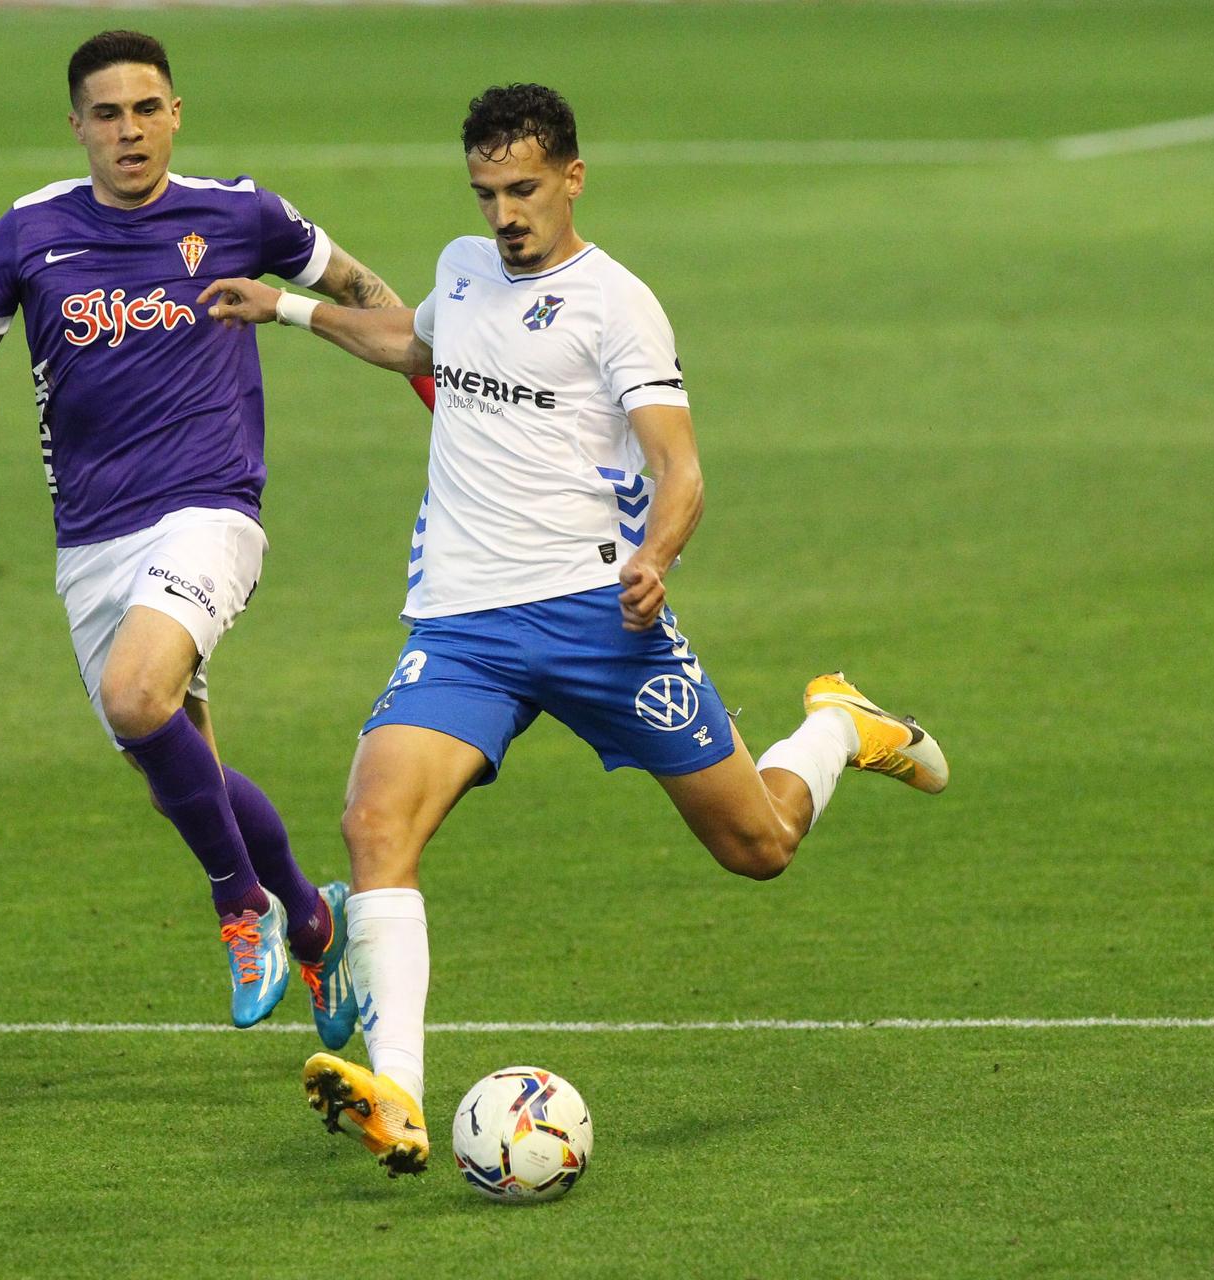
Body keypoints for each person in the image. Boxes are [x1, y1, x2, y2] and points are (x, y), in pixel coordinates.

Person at [203, 82, 950, 1177]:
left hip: (599, 621)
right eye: (484, 192)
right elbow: (419, 343)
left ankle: (837, 727)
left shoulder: (617, 304)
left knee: (757, 845)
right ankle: (396, 1091)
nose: (503, 213)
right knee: (374, 824)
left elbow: (678, 465)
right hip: (462, 623)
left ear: (570, 178)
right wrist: (290, 309)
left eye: (520, 190)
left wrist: (658, 557)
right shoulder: (462, 267)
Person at [0, 30, 430, 1042]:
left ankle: (241, 908)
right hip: (90, 539)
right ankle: (312, 917)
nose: (129, 131)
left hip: (209, 507)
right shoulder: (27, 233)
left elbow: (376, 300)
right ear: (77, 128)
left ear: (175, 112)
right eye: (106, 115)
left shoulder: (242, 213)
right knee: (174, 766)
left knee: (133, 694)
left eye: (145, 109)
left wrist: (429, 371)